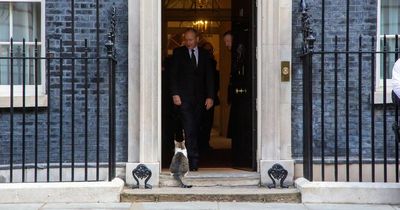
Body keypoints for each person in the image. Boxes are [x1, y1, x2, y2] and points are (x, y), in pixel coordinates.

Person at [169, 28, 215, 171]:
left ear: (197, 39)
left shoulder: (206, 54)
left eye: (190, 39)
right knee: (189, 129)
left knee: (197, 128)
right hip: (184, 99)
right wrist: (175, 94)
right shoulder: (178, 53)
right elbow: (173, 75)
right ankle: (193, 161)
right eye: (186, 39)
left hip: (201, 99)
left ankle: (197, 156)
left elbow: (210, 77)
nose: (188, 42)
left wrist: (210, 96)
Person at [223, 30, 253, 167]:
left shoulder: (241, 56)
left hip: (244, 100)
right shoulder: (235, 56)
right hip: (237, 98)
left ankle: (243, 157)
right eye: (225, 42)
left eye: (228, 41)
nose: (227, 45)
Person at [199, 42, 220, 153]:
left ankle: (205, 143)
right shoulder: (200, 62)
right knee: (199, 122)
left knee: (208, 122)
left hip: (210, 97)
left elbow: (213, 80)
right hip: (199, 97)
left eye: (210, 50)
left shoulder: (213, 62)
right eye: (207, 50)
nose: (209, 52)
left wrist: (211, 96)